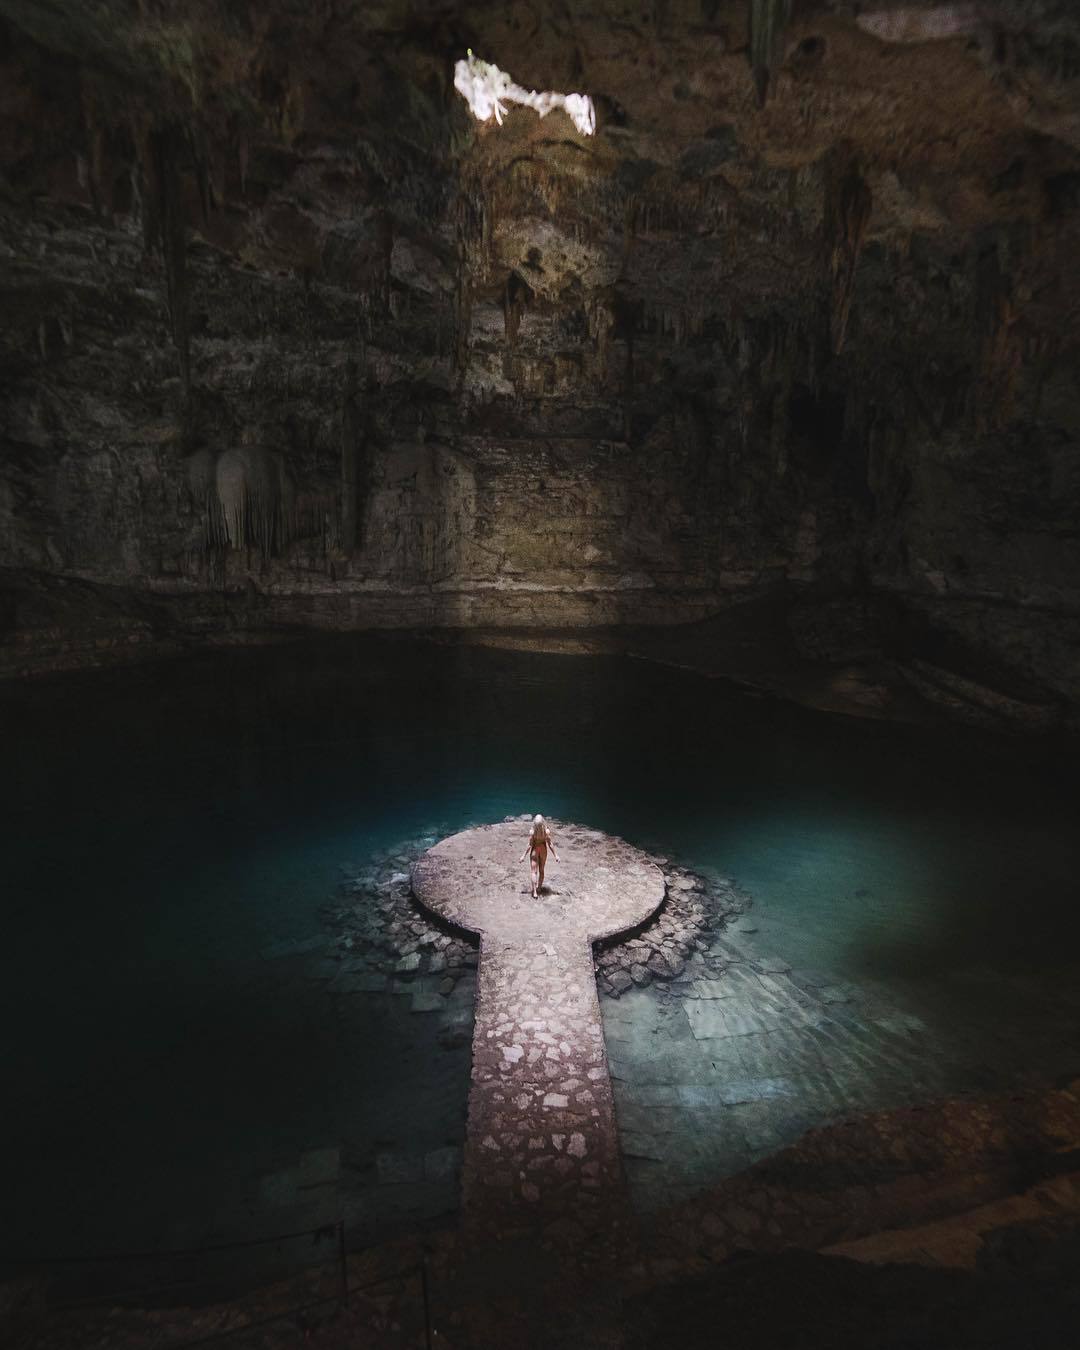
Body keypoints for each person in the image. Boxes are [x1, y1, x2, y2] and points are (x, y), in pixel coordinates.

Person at [519, 814, 558, 899]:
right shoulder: (546, 831)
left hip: (535, 851)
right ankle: (539, 888)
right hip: (543, 850)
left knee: (534, 872)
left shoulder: (532, 832)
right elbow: (550, 844)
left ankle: (535, 892)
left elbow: (529, 845)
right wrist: (556, 855)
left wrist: (523, 856)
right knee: (541, 870)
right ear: (543, 822)